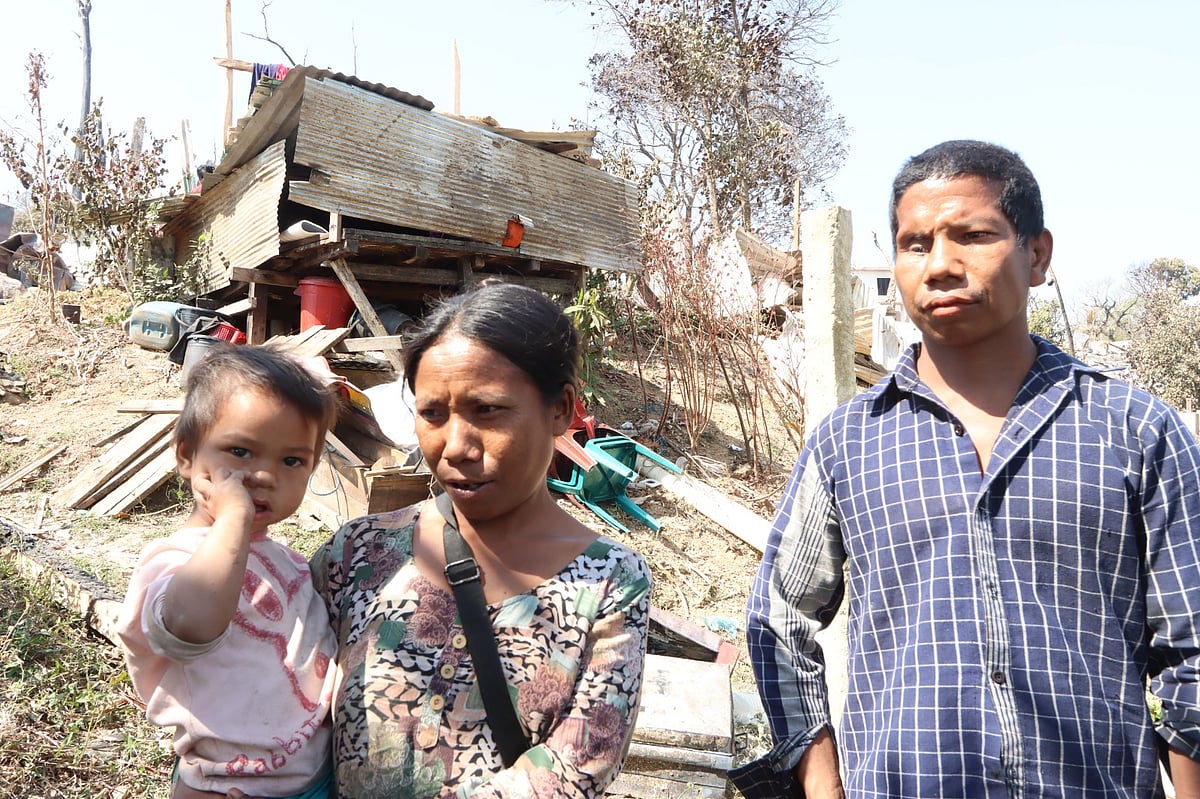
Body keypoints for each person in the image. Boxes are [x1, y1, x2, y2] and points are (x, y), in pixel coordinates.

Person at [733, 139, 1200, 798]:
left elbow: (1192, 646)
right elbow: (780, 618)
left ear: (1036, 254)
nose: (942, 265)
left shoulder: (1135, 430)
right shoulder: (847, 443)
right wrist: (820, 782)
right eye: (916, 244)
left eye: (974, 236)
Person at [311, 281, 652, 798]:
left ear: (560, 408)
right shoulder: (360, 553)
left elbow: (579, 766)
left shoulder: (609, 583)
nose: (456, 447)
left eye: (487, 410)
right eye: (432, 414)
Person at [117, 344, 340, 799]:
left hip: (317, 773)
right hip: (226, 784)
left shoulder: (291, 562)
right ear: (186, 457)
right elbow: (189, 627)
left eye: (292, 461)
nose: (264, 475)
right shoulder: (174, 559)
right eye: (240, 451)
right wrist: (233, 518)